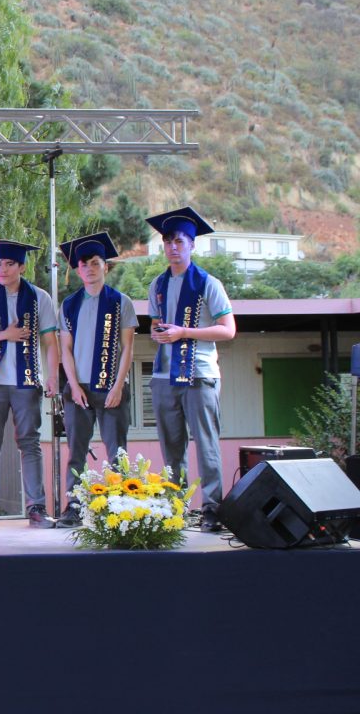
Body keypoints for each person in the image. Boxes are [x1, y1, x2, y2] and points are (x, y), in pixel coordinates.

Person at [145, 207, 236, 532]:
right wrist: (159, 333)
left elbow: (228, 330)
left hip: (200, 375)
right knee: (172, 448)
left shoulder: (209, 283)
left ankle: (212, 509)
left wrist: (184, 332)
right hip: (163, 376)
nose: (173, 247)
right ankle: (176, 507)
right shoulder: (157, 284)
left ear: (192, 245)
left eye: (179, 241)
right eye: (168, 241)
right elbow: (156, 325)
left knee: (206, 444)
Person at [0, 240, 59, 529]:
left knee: (30, 443)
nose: (2, 269)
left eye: (9, 264)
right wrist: (4, 335)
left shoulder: (39, 297)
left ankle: (36, 507)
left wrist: (53, 376)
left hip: (26, 382)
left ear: (22, 267)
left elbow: (50, 340)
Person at [54, 233, 138, 528]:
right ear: (77, 270)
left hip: (111, 389)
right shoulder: (69, 304)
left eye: (95, 263)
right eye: (83, 264)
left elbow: (128, 348)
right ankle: (74, 507)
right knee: (76, 452)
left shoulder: (121, 302)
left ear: (106, 266)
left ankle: (120, 507)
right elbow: (65, 349)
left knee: (118, 453)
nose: (89, 268)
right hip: (79, 389)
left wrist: (118, 385)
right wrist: (73, 385)